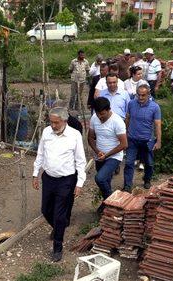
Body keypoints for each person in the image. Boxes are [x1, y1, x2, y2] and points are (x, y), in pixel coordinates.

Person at [33, 107, 86, 262]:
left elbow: (80, 161)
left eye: (56, 122)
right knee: (45, 210)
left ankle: (58, 247)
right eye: (51, 122)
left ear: (64, 121)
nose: (53, 125)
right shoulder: (46, 132)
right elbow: (40, 153)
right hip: (48, 178)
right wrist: (35, 173)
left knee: (59, 214)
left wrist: (80, 183)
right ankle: (58, 228)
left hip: (66, 180)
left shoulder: (74, 136)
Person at [89, 97, 128, 211]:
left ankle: (111, 202)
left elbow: (124, 144)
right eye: (98, 114)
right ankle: (107, 204)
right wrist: (97, 151)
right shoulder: (94, 118)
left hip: (114, 156)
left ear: (109, 109)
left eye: (102, 114)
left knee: (99, 178)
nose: (100, 117)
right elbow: (90, 137)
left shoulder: (117, 122)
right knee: (105, 181)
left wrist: (106, 155)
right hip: (99, 155)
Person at [123, 84, 162, 191]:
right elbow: (127, 118)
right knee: (129, 162)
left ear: (148, 94)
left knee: (149, 163)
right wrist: (125, 134)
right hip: (132, 139)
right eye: (138, 95)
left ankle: (147, 180)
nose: (140, 98)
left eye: (143, 95)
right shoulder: (131, 104)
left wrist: (158, 141)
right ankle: (127, 185)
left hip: (147, 140)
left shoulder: (155, 107)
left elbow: (158, 125)